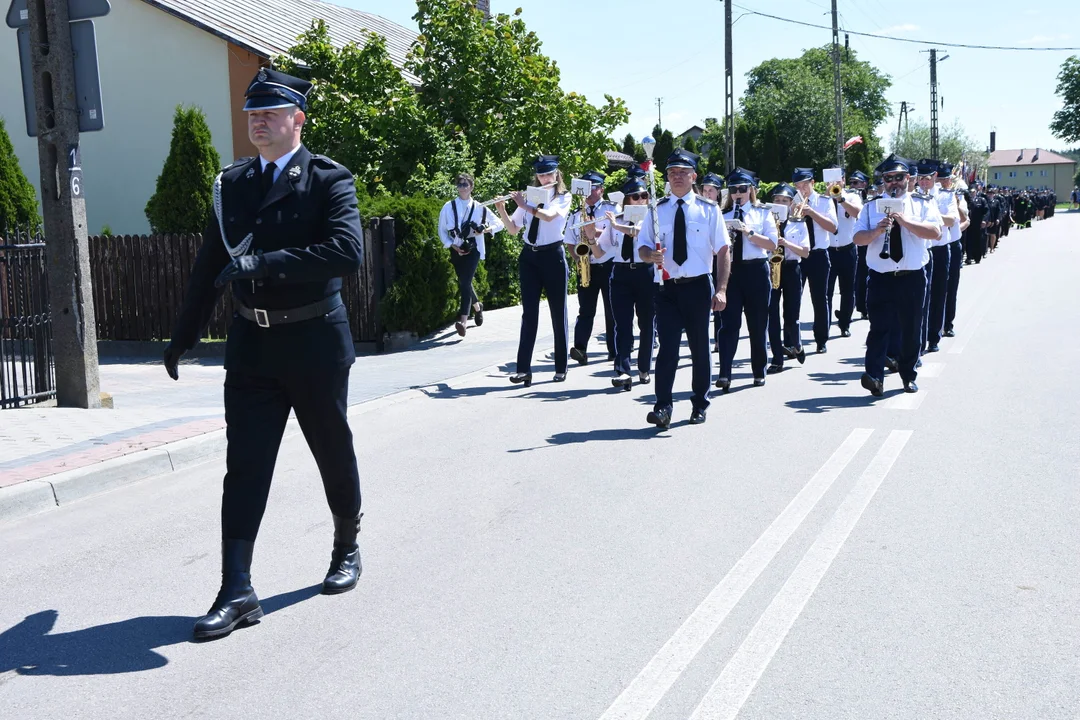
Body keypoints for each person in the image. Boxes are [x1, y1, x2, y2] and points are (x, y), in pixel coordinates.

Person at [164, 68, 365, 640]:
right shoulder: (232, 185)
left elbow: (345, 252)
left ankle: (346, 545)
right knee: (245, 466)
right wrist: (184, 333)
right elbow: (210, 263)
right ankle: (237, 588)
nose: (259, 122)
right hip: (252, 344)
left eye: (271, 114)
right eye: (253, 114)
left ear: (298, 119)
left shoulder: (329, 180)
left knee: (331, 447)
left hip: (314, 341)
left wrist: (263, 264)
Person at [635, 150, 730, 428]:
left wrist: (721, 289)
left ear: (693, 176)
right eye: (672, 172)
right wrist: (649, 256)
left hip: (698, 287)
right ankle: (663, 406)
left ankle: (700, 403)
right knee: (668, 350)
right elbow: (642, 245)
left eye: (682, 172)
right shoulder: (656, 209)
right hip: (666, 288)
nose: (677, 177)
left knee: (700, 349)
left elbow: (724, 249)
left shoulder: (708, 209)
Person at [853, 155, 943, 396]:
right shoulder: (871, 206)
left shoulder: (922, 204)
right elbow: (857, 238)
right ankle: (874, 377)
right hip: (881, 277)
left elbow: (935, 232)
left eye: (899, 177)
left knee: (911, 329)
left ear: (908, 179)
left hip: (911, 276)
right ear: (883, 181)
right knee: (878, 328)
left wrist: (904, 220)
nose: (894, 182)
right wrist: (876, 231)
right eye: (888, 178)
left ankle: (908, 375)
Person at [494, 155, 573, 387]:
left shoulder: (562, 197)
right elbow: (512, 229)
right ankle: (523, 369)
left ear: (557, 174)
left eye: (548, 174)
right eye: (540, 174)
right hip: (529, 257)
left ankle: (560, 367)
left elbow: (548, 217)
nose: (545, 178)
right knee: (529, 314)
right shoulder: (530, 197)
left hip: (553, 256)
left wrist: (524, 205)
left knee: (558, 313)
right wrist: (502, 209)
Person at [716, 167, 777, 391]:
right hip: (732, 272)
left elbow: (772, 244)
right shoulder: (722, 216)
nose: (738, 193)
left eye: (742, 189)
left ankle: (759, 370)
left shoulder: (762, 213)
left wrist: (748, 233)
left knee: (758, 324)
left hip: (756, 271)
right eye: (733, 189)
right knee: (728, 324)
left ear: (750, 190)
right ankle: (724, 373)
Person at [597, 175, 657, 389]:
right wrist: (586, 231)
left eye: (644, 196)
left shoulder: (651, 219)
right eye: (635, 196)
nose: (641, 200)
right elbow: (600, 249)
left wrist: (616, 225)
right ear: (627, 200)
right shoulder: (618, 219)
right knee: (621, 325)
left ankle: (644, 368)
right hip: (621, 274)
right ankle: (623, 370)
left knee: (646, 323)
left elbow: (638, 233)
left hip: (645, 273)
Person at [438, 173, 503, 337]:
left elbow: (499, 223)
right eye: (460, 185)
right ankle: (477, 306)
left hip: (474, 248)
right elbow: (442, 230)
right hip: (456, 248)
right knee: (464, 282)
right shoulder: (448, 206)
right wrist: (452, 245)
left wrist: (484, 229)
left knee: (465, 282)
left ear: (472, 187)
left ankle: (463, 322)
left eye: (465, 184)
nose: (462, 188)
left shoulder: (480, 207)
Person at [566, 171, 617, 366]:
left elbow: (614, 233)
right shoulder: (576, 214)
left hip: (609, 265)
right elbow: (570, 241)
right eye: (586, 188)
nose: (589, 192)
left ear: (601, 189)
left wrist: (592, 230)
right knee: (585, 310)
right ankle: (580, 349)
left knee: (612, 310)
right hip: (587, 266)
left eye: (593, 187)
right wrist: (577, 260)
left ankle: (614, 350)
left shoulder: (611, 210)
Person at [791, 168, 838, 354]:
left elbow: (833, 227)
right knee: (794, 298)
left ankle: (821, 339)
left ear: (813, 182)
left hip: (818, 254)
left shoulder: (825, 202)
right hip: (798, 255)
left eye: (805, 184)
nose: (802, 188)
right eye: (798, 185)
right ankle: (792, 339)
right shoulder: (792, 201)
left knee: (820, 298)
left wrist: (812, 213)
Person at [765, 183, 810, 374]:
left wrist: (786, 242)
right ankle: (776, 358)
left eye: (784, 201)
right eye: (777, 200)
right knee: (772, 316)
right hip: (772, 268)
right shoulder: (766, 221)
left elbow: (806, 253)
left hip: (792, 269)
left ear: (792, 203)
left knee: (791, 316)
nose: (780, 203)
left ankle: (796, 343)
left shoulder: (798, 224)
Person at [916, 160, 957, 354]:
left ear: (935, 177)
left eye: (927, 178)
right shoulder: (911, 197)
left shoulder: (945, 196)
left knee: (939, 293)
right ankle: (919, 339)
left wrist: (931, 216)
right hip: (920, 249)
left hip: (939, 249)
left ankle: (933, 336)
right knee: (921, 297)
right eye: (921, 178)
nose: (924, 182)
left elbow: (952, 219)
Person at [826, 167, 863, 338]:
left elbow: (858, 213)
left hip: (847, 249)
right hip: (828, 250)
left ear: (843, 179)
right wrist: (829, 197)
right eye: (830, 180)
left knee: (848, 290)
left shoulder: (853, 196)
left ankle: (844, 324)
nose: (834, 183)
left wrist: (840, 199)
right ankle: (824, 325)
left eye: (837, 179)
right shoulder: (822, 199)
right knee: (826, 291)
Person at [942, 170, 967, 338]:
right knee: (936, 288)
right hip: (939, 245)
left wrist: (957, 203)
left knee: (951, 287)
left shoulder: (956, 197)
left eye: (946, 180)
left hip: (953, 244)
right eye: (941, 179)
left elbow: (965, 219)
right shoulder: (934, 197)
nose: (943, 183)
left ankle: (948, 323)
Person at [849, 170, 871, 321]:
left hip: (871, 239)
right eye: (851, 182)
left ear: (864, 184)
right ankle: (861, 306)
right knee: (860, 275)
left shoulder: (869, 198)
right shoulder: (851, 197)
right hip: (858, 240)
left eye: (856, 182)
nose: (853, 185)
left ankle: (867, 305)